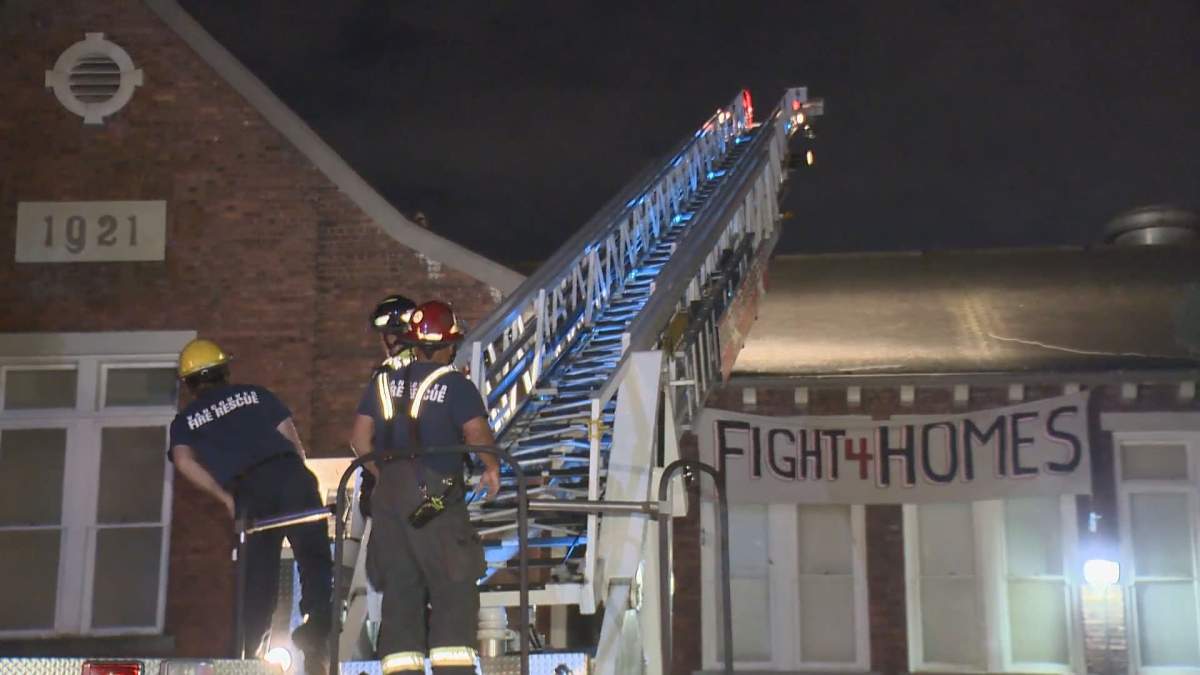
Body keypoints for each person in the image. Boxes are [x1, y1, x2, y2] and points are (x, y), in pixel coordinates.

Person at [350, 301, 502, 674]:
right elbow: (475, 432)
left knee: (401, 590)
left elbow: (358, 438)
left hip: (387, 500)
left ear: (415, 343)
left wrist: (382, 475)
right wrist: (491, 467)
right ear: (448, 345)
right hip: (434, 498)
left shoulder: (383, 382)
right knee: (453, 582)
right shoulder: (455, 384)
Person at [167, 338, 332, 674]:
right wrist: (298, 481)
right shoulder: (257, 394)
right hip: (290, 475)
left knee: (256, 581)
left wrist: (226, 497)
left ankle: (247, 658)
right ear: (224, 371)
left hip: (250, 492)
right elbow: (292, 441)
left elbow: (183, 462)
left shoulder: (185, 421)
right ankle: (317, 634)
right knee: (314, 560)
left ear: (190, 383)